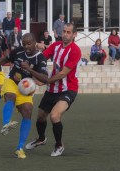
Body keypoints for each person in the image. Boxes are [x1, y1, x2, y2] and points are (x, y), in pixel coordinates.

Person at [0, 33, 48, 159]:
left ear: (35, 42)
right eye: (24, 44)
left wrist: (30, 70)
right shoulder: (18, 51)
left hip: (25, 89)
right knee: (10, 96)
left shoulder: (40, 58)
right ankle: (6, 124)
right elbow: (4, 60)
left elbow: (45, 78)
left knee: (28, 111)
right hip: (12, 81)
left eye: (29, 44)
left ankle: (20, 149)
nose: (26, 47)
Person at [24, 23, 81, 157]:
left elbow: (63, 74)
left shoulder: (75, 51)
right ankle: (41, 138)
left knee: (55, 116)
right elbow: (41, 58)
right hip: (52, 89)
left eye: (68, 32)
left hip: (68, 89)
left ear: (74, 35)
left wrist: (44, 81)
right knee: (40, 117)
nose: (65, 34)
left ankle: (59, 145)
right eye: (64, 31)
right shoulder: (55, 46)